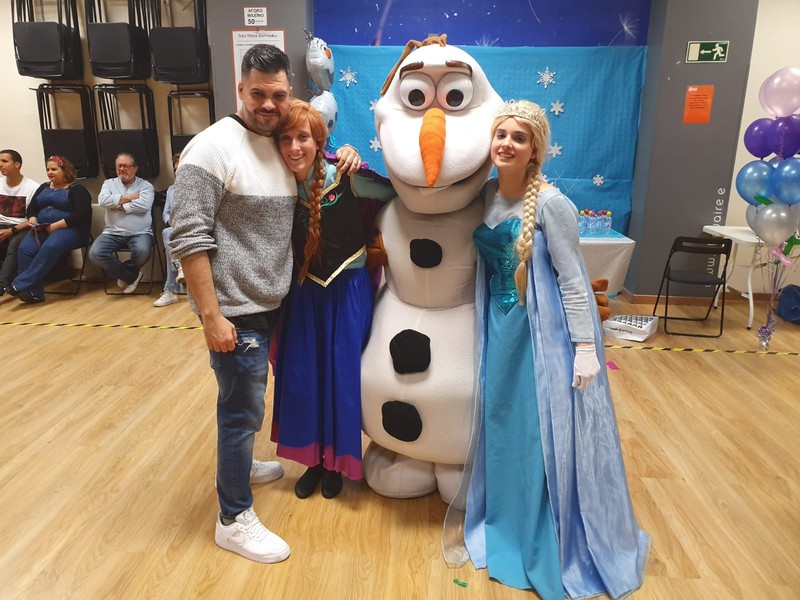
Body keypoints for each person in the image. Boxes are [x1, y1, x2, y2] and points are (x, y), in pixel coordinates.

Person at [448, 100, 650, 599]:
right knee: (503, 425)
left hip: (542, 335)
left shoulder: (552, 204)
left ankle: (543, 530)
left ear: (535, 149)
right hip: (500, 329)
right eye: (501, 134)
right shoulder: (489, 193)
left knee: (538, 432)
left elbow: (574, 281)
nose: (507, 144)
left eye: (519, 137)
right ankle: (506, 517)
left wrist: (585, 346)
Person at [169, 44, 360, 564]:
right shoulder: (211, 148)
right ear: (240, 89)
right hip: (236, 311)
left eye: (278, 94)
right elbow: (187, 237)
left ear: (290, 93)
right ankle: (233, 518)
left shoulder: (274, 144)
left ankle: (241, 465)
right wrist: (212, 317)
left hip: (272, 303)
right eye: (258, 94)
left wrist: (345, 152)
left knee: (244, 405)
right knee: (240, 412)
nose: (269, 104)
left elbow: (314, 164)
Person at [270, 100, 392, 500]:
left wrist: (355, 156)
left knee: (342, 379)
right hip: (303, 295)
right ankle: (314, 461)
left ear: (319, 140)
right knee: (304, 378)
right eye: (286, 138)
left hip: (347, 292)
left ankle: (338, 462)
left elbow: (395, 194)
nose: (294, 147)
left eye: (303, 137)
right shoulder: (275, 181)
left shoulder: (346, 175)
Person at [8, 155, 91, 303]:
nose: (50, 172)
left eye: (54, 169)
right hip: (42, 228)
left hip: (70, 230)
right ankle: (34, 292)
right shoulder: (43, 187)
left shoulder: (77, 190)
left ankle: (20, 284)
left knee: (50, 246)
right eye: (48, 169)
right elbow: (32, 208)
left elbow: (81, 214)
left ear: (65, 170)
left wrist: (56, 226)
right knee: (25, 248)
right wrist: (33, 219)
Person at [89, 152, 155, 294]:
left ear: (135, 168)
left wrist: (118, 205)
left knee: (143, 251)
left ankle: (127, 273)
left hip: (140, 232)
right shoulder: (108, 183)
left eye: (125, 166)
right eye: (119, 166)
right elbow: (103, 201)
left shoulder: (145, 186)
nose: (121, 169)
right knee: (95, 253)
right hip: (112, 232)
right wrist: (129, 197)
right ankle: (131, 276)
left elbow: (144, 205)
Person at [0, 149, 39, 296]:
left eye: (4, 161)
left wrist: (12, 230)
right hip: (2, 224)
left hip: (22, 227)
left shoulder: (32, 187)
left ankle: (1, 285)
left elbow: (33, 218)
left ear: (17, 165)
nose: (0, 165)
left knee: (15, 244)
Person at [153, 153, 183, 307]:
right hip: (175, 228)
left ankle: (171, 290)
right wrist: (169, 221)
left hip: (195, 229)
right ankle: (179, 267)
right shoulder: (171, 190)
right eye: (176, 169)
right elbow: (165, 213)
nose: (178, 172)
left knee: (169, 236)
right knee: (167, 233)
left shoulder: (200, 188)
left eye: (180, 168)